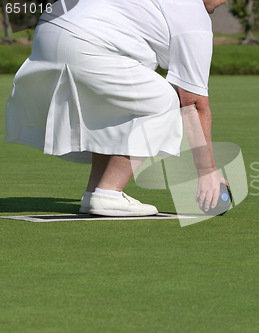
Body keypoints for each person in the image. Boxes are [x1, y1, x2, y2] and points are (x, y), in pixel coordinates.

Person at [4, 0, 227, 216]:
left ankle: (95, 192)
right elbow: (193, 102)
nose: (225, 2)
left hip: (48, 30)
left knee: (120, 102)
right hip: (85, 41)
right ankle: (109, 193)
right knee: (165, 100)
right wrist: (207, 171)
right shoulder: (193, 14)